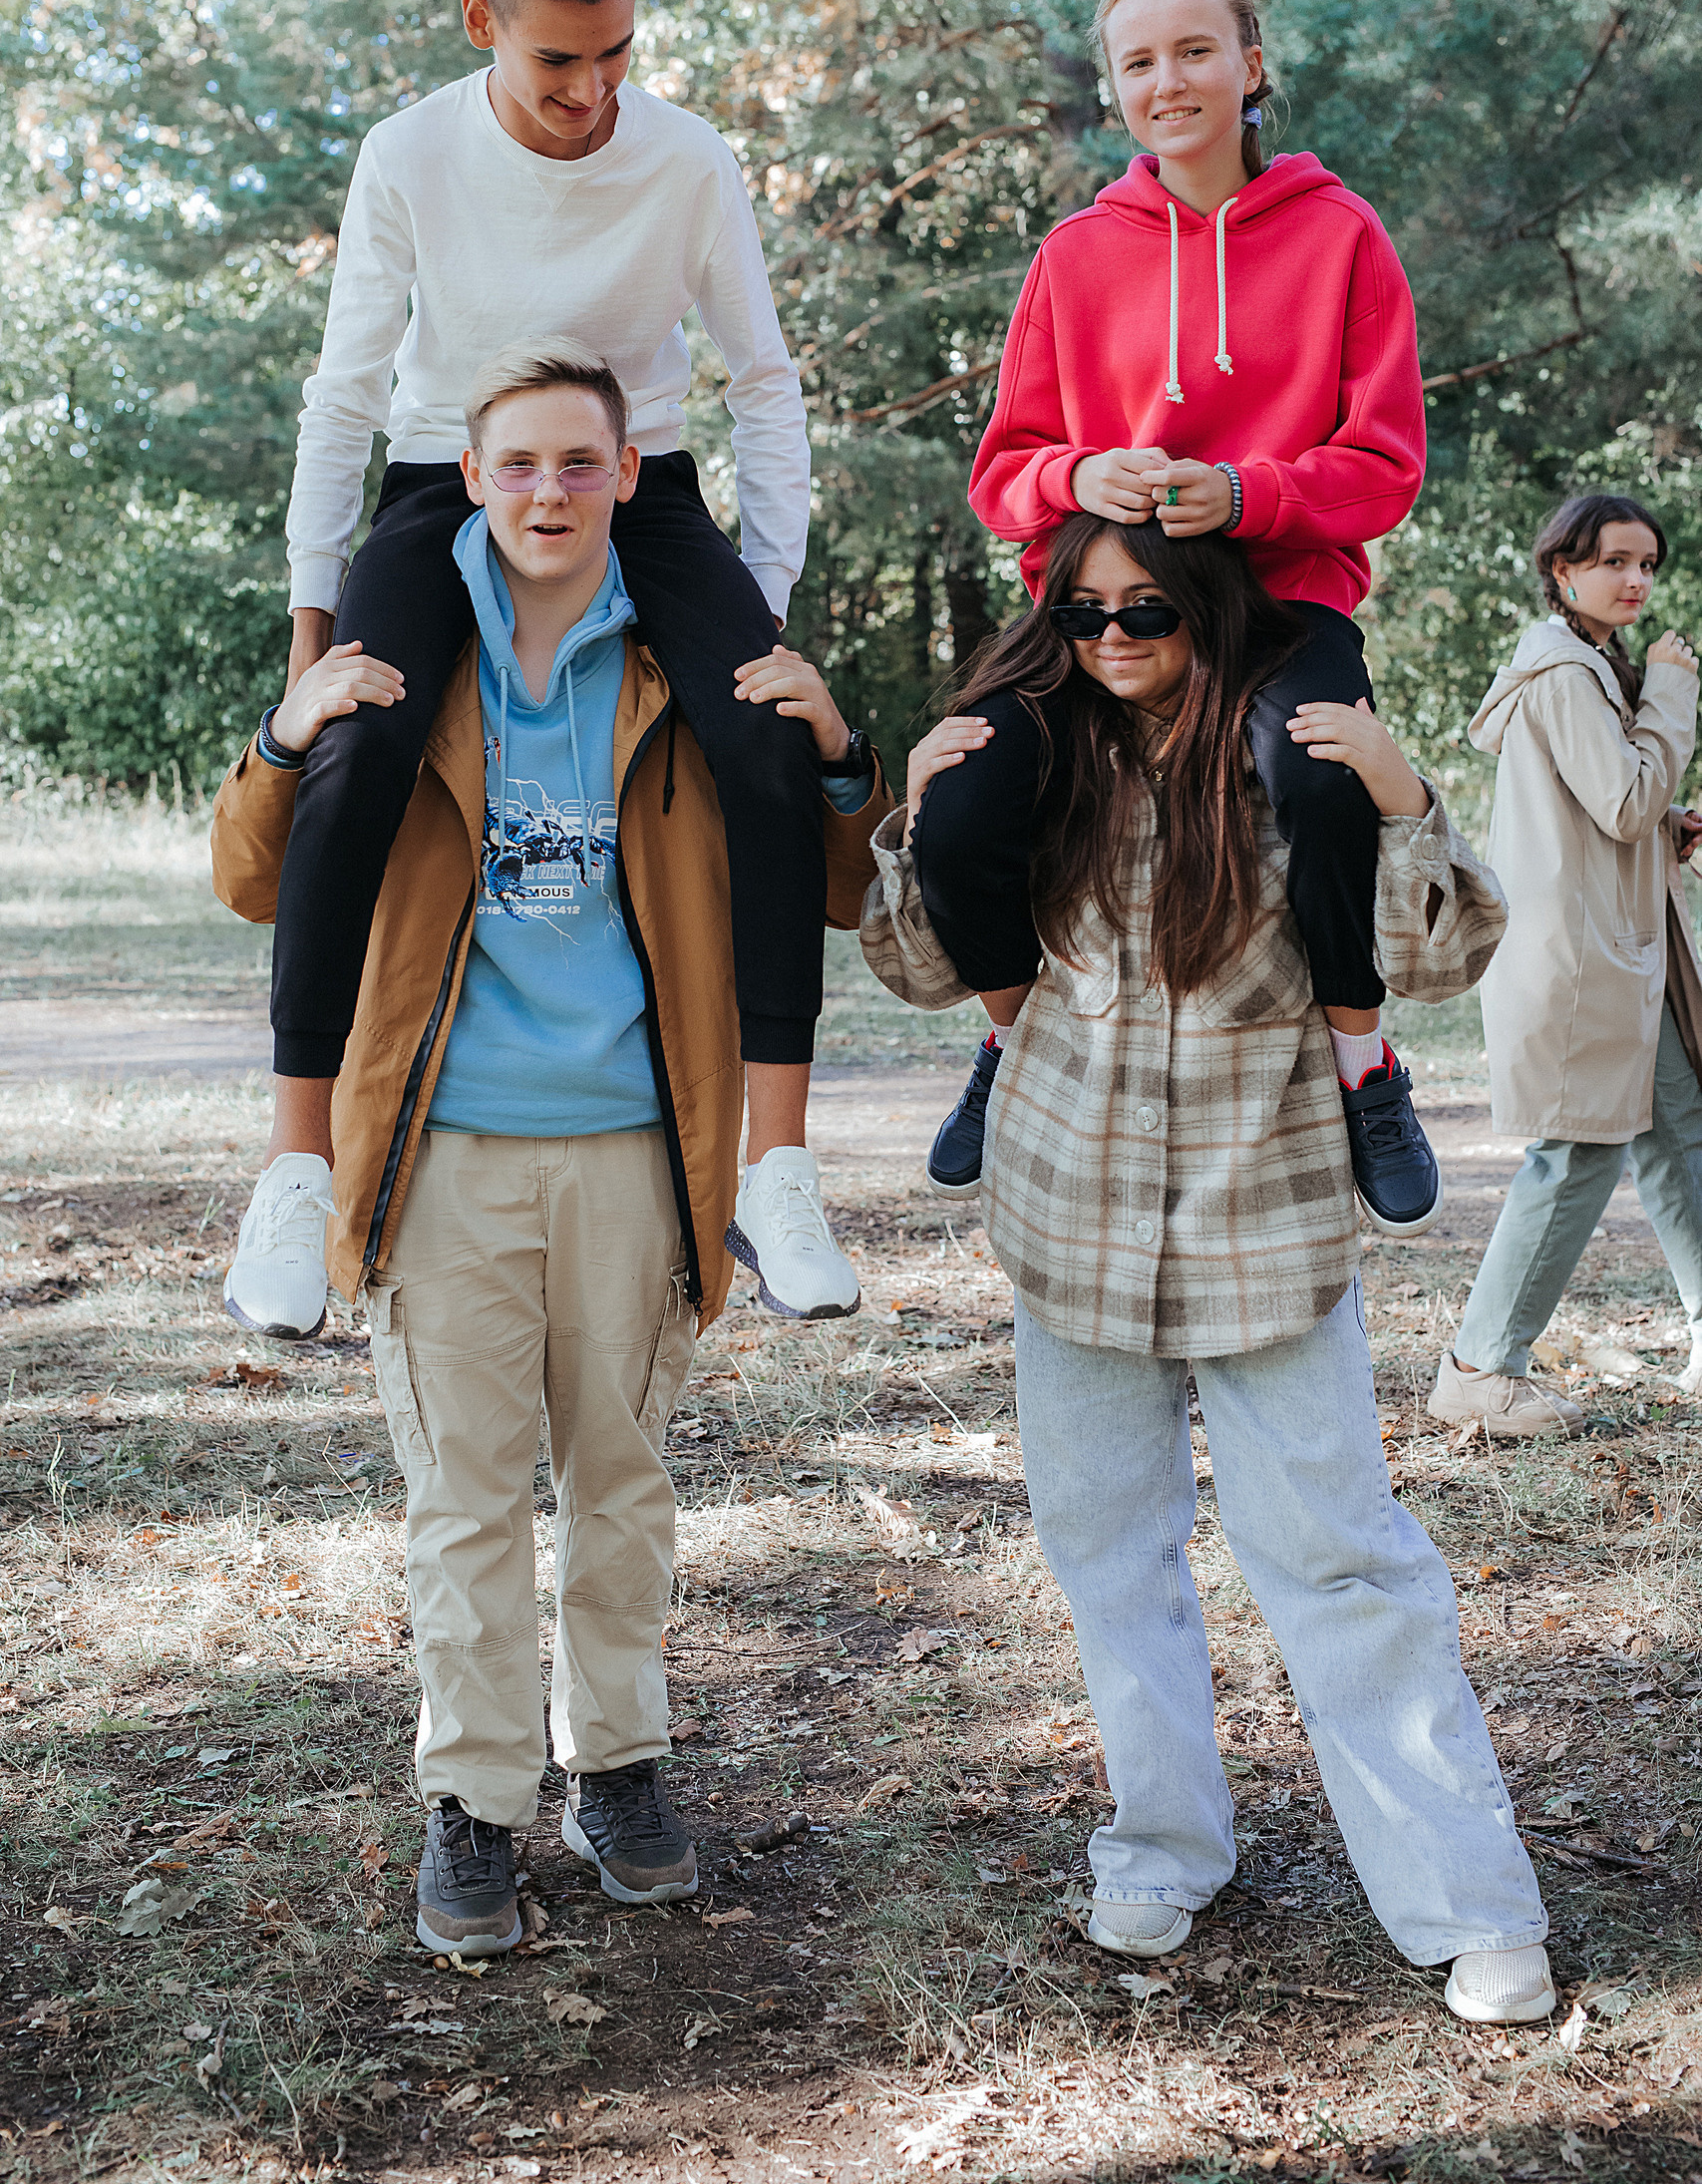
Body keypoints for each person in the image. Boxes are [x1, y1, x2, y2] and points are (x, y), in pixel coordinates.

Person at [211, 344, 889, 1956]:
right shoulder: (404, 660)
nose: (546, 494)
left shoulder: (680, 666)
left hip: (638, 1149)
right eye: (516, 464)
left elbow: (842, 892)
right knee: (460, 1499)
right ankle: (475, 1798)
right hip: (444, 1150)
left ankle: (626, 1766)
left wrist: (839, 754)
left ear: (627, 480)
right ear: (470, 471)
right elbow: (252, 881)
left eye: (578, 465)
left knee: (618, 1486)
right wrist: (286, 730)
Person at [861, 509, 1557, 2025]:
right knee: (1109, 1552)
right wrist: (910, 820)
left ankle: (1464, 1900)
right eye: (1086, 612)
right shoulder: (1036, 753)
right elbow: (917, 969)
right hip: (1067, 1216)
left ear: (1207, 614)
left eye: (1149, 614)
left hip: (1264, 1214)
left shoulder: (1277, 748)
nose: (1115, 640)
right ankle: (1163, 1843)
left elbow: (1432, 961)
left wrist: (1404, 796)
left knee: (1337, 1558)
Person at [222, 0, 860, 1345]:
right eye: (557, 57)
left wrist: (756, 598)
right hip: (453, 469)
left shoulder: (688, 160)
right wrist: (312, 632)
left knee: (766, 742)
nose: (591, 90)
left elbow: (760, 378)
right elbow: (342, 391)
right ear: (481, 22)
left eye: (617, 52)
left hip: (638, 470)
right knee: (357, 746)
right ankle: (295, 1171)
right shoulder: (407, 155)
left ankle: (776, 1166)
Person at [924, 0, 1439, 1240]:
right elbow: (1002, 477)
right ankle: (1001, 1040)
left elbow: (1382, 469)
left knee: (1316, 779)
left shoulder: (1339, 237)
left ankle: (1360, 1063)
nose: (1169, 79)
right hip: (1097, 604)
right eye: (1138, 59)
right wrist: (1080, 476)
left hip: (1277, 600)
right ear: (1113, 88)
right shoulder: (1072, 256)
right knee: (960, 803)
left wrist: (1250, 494)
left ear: (1249, 67)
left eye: (1194, 49)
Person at [1430, 493, 1702, 1439]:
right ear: (1563, 570)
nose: (1635, 580)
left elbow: (1612, 818)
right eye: (1616, 562)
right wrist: (1672, 692)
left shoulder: (1584, 664)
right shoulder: (1559, 670)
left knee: (1679, 1127)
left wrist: (1670, 831)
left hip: (1625, 947)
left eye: (1647, 565)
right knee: (1576, 1152)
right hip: (1585, 958)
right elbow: (1622, 800)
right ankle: (1479, 1367)